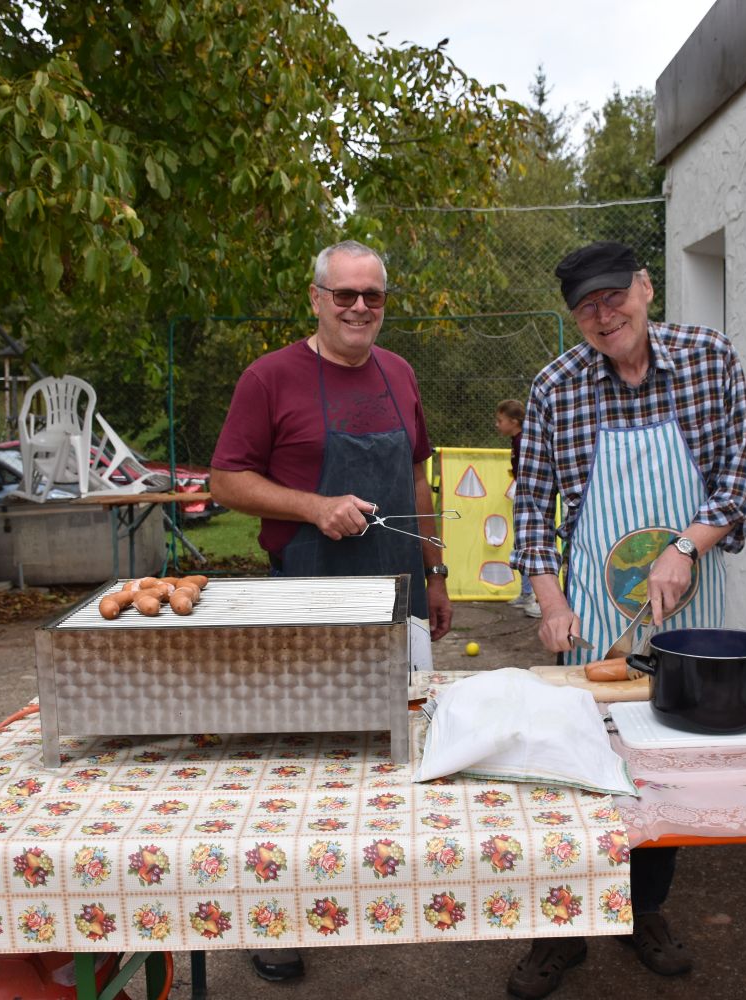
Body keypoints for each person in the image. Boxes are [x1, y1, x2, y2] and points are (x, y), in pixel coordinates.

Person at [507, 241, 746, 1000]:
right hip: (591, 612)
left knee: (664, 762)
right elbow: (532, 507)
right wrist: (551, 601)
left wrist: (685, 547)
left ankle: (642, 909)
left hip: (688, 605)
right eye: (586, 305)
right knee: (578, 764)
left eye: (614, 295)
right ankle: (562, 927)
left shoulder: (709, 359)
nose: (603, 313)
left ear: (646, 288)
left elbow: (740, 476)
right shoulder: (556, 387)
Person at [208, 238, 453, 982]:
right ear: (316, 298)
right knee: (298, 764)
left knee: (398, 748)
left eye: (372, 295)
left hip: (398, 590)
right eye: (343, 294)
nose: (358, 307)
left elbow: (417, 479)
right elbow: (225, 481)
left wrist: (436, 572)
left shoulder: (399, 373)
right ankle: (275, 918)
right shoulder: (269, 377)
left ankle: (384, 891)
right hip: (307, 594)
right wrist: (315, 507)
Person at [494, 398, 540, 617]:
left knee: (532, 546)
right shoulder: (516, 441)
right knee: (522, 545)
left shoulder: (524, 442)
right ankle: (526, 593)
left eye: (500, 420)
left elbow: (533, 472)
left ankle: (538, 599)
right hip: (524, 497)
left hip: (532, 501)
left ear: (514, 421)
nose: (497, 424)